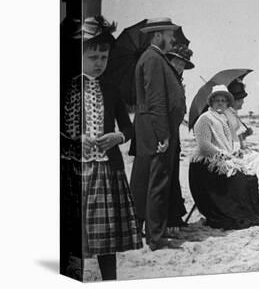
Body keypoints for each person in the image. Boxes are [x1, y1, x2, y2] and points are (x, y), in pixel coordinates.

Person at [60, 16, 142, 280]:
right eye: (93, 57)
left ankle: (109, 281)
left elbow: (129, 128)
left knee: (106, 236)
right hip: (69, 169)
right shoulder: (63, 87)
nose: (99, 63)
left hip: (105, 171)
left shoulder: (111, 88)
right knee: (68, 232)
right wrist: (73, 140)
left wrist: (119, 137)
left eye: (104, 57)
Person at [129, 18, 187, 251]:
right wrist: (163, 134)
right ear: (156, 36)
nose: (172, 39)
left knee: (145, 182)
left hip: (150, 129)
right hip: (156, 131)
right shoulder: (153, 59)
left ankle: (146, 231)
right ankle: (155, 236)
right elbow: (156, 100)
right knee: (157, 183)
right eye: (169, 34)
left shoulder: (154, 58)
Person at [189, 85, 259, 229]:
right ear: (211, 102)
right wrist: (222, 156)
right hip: (206, 163)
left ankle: (250, 212)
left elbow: (233, 140)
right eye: (217, 100)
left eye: (223, 100)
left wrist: (235, 152)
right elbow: (203, 145)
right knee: (238, 180)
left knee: (250, 176)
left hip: (224, 158)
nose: (220, 103)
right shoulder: (205, 119)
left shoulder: (224, 118)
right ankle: (229, 214)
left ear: (227, 103)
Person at [226, 80, 259, 210]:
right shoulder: (229, 115)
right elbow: (232, 140)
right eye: (241, 99)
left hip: (235, 151)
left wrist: (245, 135)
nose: (243, 102)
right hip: (231, 154)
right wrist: (242, 144)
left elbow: (237, 137)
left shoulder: (232, 113)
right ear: (235, 100)